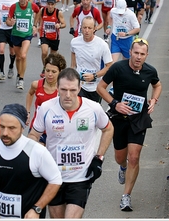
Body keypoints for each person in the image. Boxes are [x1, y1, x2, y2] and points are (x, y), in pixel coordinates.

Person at [28, 68, 114, 218]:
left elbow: (108, 129)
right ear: (57, 88)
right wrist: (38, 150)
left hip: (80, 177)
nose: (68, 95)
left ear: (80, 88)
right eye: (64, 90)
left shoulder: (93, 108)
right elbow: (33, 135)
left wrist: (99, 157)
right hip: (53, 177)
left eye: (73, 90)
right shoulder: (46, 108)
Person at [97, 38, 162, 211]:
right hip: (119, 117)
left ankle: (126, 196)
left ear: (147, 55)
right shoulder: (118, 68)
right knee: (121, 157)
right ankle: (123, 167)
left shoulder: (150, 71)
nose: (138, 57)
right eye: (136, 53)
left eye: (142, 54)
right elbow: (100, 87)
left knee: (134, 156)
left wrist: (154, 99)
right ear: (130, 53)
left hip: (139, 118)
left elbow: (157, 85)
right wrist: (114, 104)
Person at [0, 103, 62, 218]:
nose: (5, 133)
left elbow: (55, 179)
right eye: (2, 126)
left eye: (11, 128)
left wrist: (37, 209)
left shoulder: (37, 151)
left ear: (23, 127)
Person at [26, 53, 67, 144]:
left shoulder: (64, 89)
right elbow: (30, 94)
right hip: (37, 129)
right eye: (47, 70)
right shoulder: (36, 85)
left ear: (60, 72)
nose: (49, 74)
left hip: (55, 132)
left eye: (54, 72)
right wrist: (28, 111)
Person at [71, 16, 113, 103]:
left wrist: (94, 76)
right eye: (84, 27)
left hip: (95, 87)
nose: (86, 30)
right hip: (80, 86)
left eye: (89, 28)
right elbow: (73, 62)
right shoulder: (74, 42)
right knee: (79, 112)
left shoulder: (102, 45)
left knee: (93, 114)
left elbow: (109, 66)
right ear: (81, 28)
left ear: (94, 29)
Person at [6, 0, 40, 90]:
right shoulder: (14, 7)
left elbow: (39, 12)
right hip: (16, 34)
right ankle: (18, 74)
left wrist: (35, 25)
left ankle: (21, 78)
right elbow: (8, 20)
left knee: (23, 55)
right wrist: (10, 22)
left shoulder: (32, 6)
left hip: (27, 34)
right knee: (18, 57)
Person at [34, 0, 66, 77]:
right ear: (46, 4)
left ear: (55, 5)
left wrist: (60, 25)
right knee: (44, 52)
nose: (50, 6)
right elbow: (36, 18)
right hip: (44, 35)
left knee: (53, 56)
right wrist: (35, 26)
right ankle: (45, 67)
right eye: (49, 4)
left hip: (55, 37)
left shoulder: (58, 13)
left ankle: (51, 70)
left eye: (52, 4)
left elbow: (64, 24)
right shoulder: (43, 10)